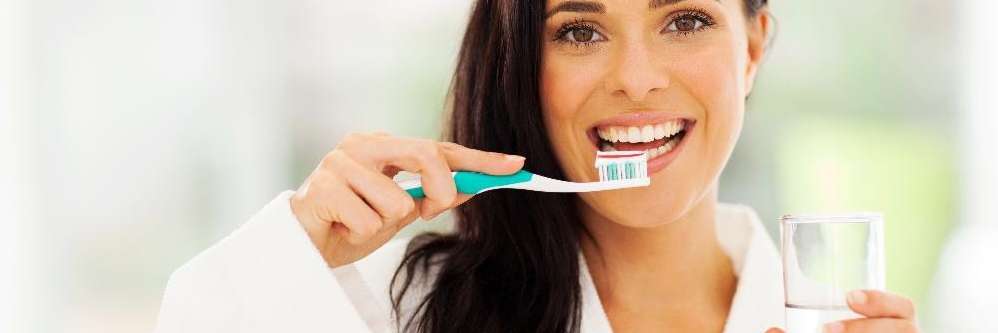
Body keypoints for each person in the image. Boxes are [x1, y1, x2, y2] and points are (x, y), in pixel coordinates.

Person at [155, 0, 919, 332]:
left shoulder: (833, 320)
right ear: (524, 62)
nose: (637, 77)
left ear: (751, 48)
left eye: (685, 21)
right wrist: (295, 251)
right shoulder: (407, 311)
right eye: (580, 31)